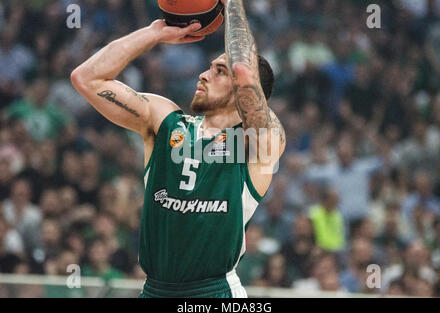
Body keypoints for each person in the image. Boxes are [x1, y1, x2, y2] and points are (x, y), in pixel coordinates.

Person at [71, 0, 285, 298]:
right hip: (154, 290)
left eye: (219, 71)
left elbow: (245, 71)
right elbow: (86, 78)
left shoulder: (257, 142)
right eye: (209, 67)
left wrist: (233, 4)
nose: (204, 74)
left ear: (245, 91)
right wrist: (152, 34)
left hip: (214, 292)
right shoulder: (166, 121)